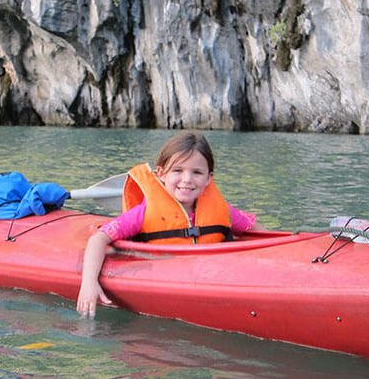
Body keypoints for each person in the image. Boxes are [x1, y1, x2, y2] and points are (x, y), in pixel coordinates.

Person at [77, 131, 265, 318]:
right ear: (161, 174)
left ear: (209, 178)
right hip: (161, 275)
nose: (187, 180)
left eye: (197, 172)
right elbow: (99, 239)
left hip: (210, 276)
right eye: (178, 171)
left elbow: (258, 233)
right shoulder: (143, 213)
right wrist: (89, 282)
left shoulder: (223, 210)